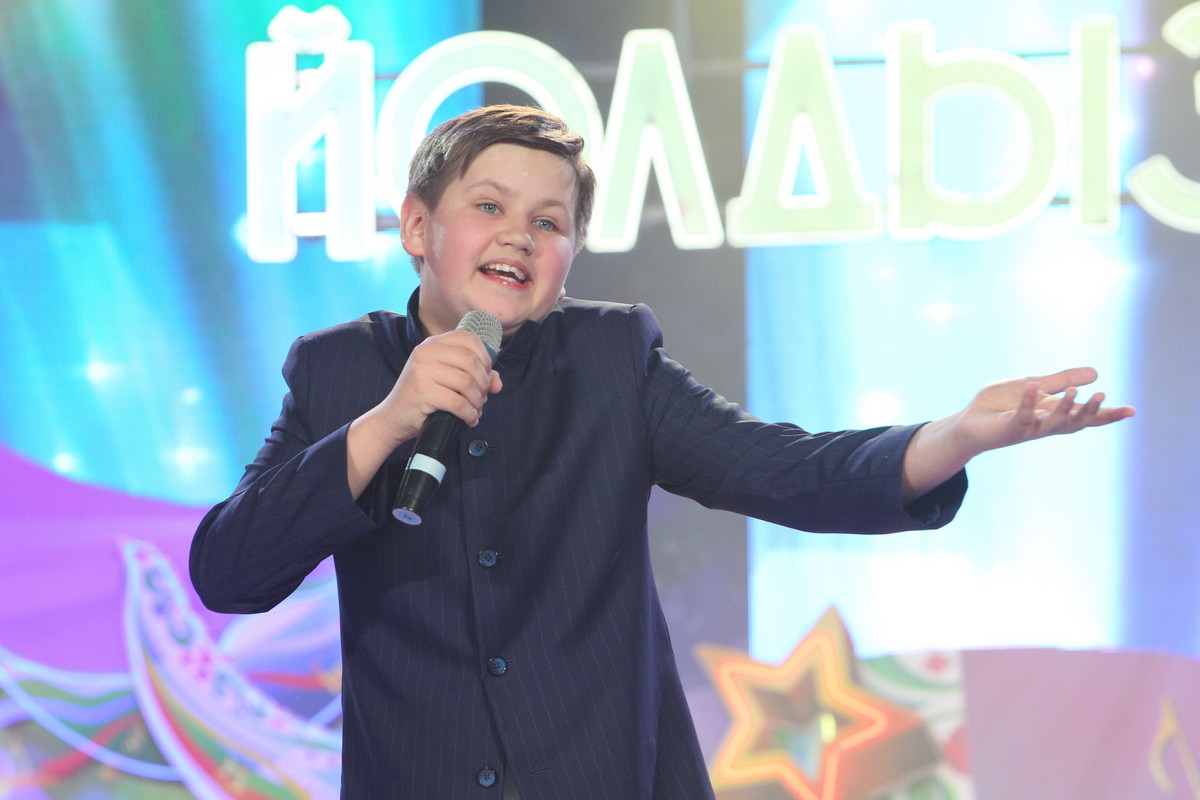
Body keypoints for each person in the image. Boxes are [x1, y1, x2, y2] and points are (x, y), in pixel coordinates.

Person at [189, 104, 1134, 799]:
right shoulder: (338, 372)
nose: (519, 235)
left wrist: (956, 436)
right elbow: (229, 572)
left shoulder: (610, 359)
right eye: (489, 206)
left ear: (568, 260)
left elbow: (785, 471)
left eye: (549, 222)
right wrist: (383, 425)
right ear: (416, 227)